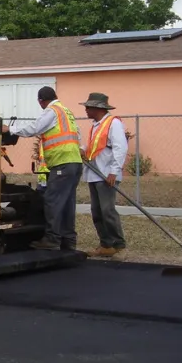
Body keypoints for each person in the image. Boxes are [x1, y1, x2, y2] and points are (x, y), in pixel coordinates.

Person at [1, 86, 83, 251]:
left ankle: (52, 239)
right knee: (67, 203)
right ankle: (68, 240)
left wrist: (10, 129)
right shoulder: (67, 112)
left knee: (52, 200)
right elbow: (78, 135)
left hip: (62, 163)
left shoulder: (52, 111)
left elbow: (35, 128)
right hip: (74, 162)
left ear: (41, 101)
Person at [80, 92, 128, 257]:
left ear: (98, 108)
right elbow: (94, 145)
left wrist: (114, 171)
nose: (86, 110)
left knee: (107, 211)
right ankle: (106, 245)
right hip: (94, 174)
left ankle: (119, 245)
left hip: (106, 175)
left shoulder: (113, 123)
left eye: (88, 107)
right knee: (97, 211)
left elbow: (120, 148)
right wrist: (83, 149)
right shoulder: (96, 125)